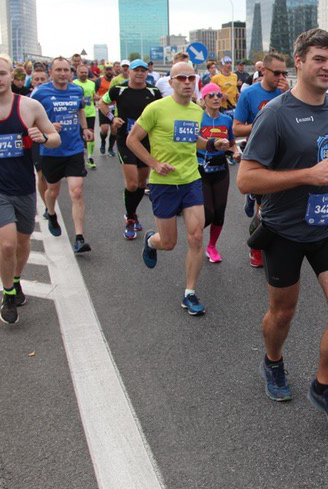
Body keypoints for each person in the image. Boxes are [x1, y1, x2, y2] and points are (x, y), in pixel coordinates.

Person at [237, 28, 328, 433]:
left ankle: (323, 388)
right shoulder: (275, 113)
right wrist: (307, 175)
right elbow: (246, 179)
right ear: (299, 62)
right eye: (319, 59)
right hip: (284, 229)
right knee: (283, 312)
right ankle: (272, 362)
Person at [0, 53, 60, 324]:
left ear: (12, 75)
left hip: (24, 186)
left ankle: (16, 279)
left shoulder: (30, 106)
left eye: (2, 73)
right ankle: (7, 293)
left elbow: (55, 138)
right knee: (7, 244)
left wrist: (44, 137)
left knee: (23, 242)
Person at [127, 61, 217, 316]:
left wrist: (212, 144)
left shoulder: (196, 110)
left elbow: (193, 140)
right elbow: (132, 140)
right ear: (171, 82)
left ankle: (189, 293)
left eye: (191, 78)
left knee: (196, 236)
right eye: (182, 78)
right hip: (163, 184)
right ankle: (151, 241)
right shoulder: (156, 108)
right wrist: (154, 164)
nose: (187, 82)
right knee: (168, 243)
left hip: (190, 179)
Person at [31, 57, 94, 254]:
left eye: (66, 70)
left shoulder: (77, 90)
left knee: (77, 191)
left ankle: (79, 238)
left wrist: (85, 128)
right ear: (51, 72)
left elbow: (81, 110)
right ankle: (51, 213)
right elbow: (29, 119)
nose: (63, 73)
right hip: (51, 150)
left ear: (71, 73)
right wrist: (47, 127)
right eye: (58, 70)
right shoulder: (40, 93)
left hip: (74, 148)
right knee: (53, 191)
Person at [233, 53, 288, 268]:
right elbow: (236, 128)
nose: (281, 77)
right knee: (263, 209)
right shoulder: (249, 94)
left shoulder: (288, 93)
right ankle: (256, 247)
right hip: (259, 156)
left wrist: (288, 96)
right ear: (263, 71)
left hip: (282, 155)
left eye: (284, 73)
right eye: (277, 73)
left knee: (279, 205)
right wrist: (262, 123)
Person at [99, 59, 161, 239]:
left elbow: (161, 111)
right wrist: (112, 118)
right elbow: (102, 103)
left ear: (147, 73)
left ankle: (132, 212)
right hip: (125, 140)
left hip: (146, 142)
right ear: (129, 72)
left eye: (143, 70)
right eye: (136, 70)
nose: (140, 74)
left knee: (141, 183)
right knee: (132, 183)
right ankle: (131, 219)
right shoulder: (119, 89)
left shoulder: (154, 91)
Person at [197, 82, 238, 263]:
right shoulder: (197, 118)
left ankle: (211, 247)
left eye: (218, 95)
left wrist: (235, 152)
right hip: (201, 168)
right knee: (208, 213)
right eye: (211, 95)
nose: (216, 98)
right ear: (203, 99)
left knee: (219, 212)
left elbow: (232, 143)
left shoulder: (227, 120)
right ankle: (195, 237)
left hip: (221, 168)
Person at [73, 64, 99, 168]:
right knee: (78, 136)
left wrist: (97, 97)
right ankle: (78, 158)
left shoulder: (92, 83)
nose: (84, 74)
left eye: (85, 72)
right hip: (78, 113)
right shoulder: (73, 84)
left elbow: (94, 95)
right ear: (77, 73)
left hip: (90, 112)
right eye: (81, 72)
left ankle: (90, 157)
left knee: (91, 135)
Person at [96, 65, 117, 157]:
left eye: (110, 70)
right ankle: (103, 142)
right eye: (107, 70)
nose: (109, 72)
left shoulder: (115, 80)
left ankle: (110, 148)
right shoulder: (99, 81)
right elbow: (94, 94)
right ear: (104, 71)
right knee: (104, 129)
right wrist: (99, 97)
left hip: (114, 108)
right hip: (104, 107)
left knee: (114, 129)